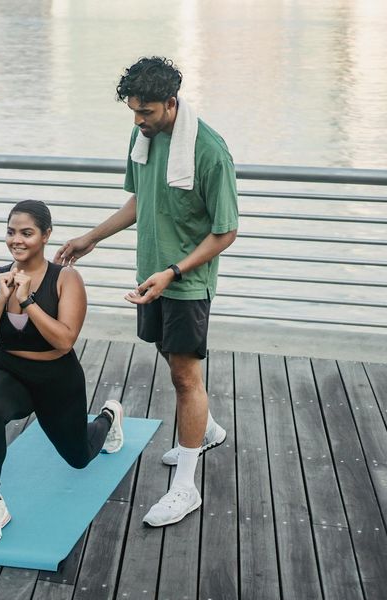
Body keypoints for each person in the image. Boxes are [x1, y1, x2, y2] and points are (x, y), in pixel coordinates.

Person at [55, 57, 238, 527]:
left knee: (184, 377)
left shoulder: (209, 152)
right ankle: (208, 430)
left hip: (185, 281)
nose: (138, 121)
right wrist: (89, 237)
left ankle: (186, 488)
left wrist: (174, 272)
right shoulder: (145, 137)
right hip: (151, 274)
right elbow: (140, 200)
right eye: (134, 112)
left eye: (147, 112)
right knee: (169, 355)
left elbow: (225, 231)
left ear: (172, 103)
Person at [0, 199, 124, 544]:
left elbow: (65, 340)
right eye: (11, 232)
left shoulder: (66, 279)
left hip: (58, 378)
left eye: (27, 233)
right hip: (9, 371)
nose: (16, 240)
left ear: (46, 235)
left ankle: (110, 418)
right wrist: (1, 298)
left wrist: (27, 301)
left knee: (80, 458)